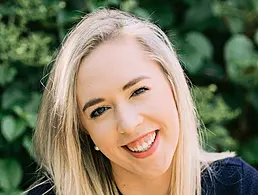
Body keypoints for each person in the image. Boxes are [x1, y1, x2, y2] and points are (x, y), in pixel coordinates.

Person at [27, 8, 258, 195]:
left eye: (138, 91)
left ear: (172, 84)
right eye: (100, 110)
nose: (128, 123)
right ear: (83, 130)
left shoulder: (238, 186)